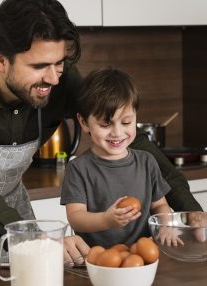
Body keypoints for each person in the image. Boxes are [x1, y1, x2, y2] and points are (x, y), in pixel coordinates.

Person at [0, 0, 207, 276]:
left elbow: (133, 142)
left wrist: (190, 212)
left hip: (11, 204)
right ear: (1, 59)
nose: (54, 78)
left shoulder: (60, 79)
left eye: (60, 63)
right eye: (39, 66)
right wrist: (33, 238)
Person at [61, 67, 183, 248]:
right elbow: (76, 218)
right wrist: (106, 220)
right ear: (84, 122)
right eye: (105, 124)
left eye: (126, 122)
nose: (117, 133)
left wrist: (165, 225)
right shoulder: (78, 168)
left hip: (143, 254)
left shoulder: (147, 161)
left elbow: (160, 206)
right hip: (99, 258)